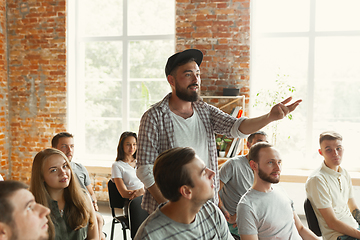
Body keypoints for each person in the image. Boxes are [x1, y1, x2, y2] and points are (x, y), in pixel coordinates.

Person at [136, 48, 302, 214]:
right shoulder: (154, 117)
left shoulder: (204, 111)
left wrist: (270, 117)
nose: (196, 80)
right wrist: (169, 207)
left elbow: (236, 127)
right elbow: (145, 169)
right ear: (171, 80)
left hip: (206, 204)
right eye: (188, 74)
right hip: (171, 207)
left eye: (198, 74)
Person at [134, 147, 233, 239]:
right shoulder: (150, 236)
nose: (212, 173)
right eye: (203, 172)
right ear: (186, 191)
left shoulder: (212, 212)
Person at [237, 142, 318, 240]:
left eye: (279, 162)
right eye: (270, 162)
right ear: (254, 165)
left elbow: (300, 229)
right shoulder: (247, 206)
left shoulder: (281, 191)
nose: (278, 168)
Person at [30, 148, 99, 240]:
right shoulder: (32, 207)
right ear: (41, 177)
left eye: (65, 166)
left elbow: (93, 237)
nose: (63, 172)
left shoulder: (84, 197)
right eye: (53, 170)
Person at [306, 131, 360, 240]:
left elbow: (353, 208)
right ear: (321, 152)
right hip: (338, 236)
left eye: (338, 148)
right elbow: (332, 223)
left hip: (354, 230)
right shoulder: (317, 180)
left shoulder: (344, 173)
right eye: (329, 150)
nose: (335, 153)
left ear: (343, 149)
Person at [52, 132, 105, 240]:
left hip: (87, 205)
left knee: (98, 220)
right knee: (98, 221)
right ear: (54, 148)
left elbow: (90, 192)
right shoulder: (58, 173)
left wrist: (93, 202)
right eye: (64, 146)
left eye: (72, 146)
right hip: (74, 207)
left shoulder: (80, 168)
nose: (69, 150)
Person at [218, 131, 267, 237]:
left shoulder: (266, 168)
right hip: (231, 223)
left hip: (252, 219)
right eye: (259, 142)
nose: (263, 146)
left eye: (266, 143)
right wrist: (227, 215)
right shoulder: (233, 164)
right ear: (248, 144)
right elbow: (212, 190)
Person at [112, 131, 145, 200]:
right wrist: (141, 193)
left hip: (146, 197)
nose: (132, 147)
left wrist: (142, 191)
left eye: (134, 144)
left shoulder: (141, 161)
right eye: (128, 144)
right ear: (122, 146)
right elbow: (124, 193)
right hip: (132, 201)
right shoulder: (117, 165)